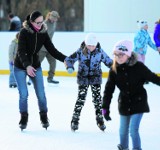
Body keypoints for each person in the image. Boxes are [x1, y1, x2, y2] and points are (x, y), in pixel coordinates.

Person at [102, 40, 160, 150]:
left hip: (138, 102)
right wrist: (105, 108)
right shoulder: (114, 69)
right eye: (116, 54)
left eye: (121, 54)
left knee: (133, 130)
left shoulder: (139, 67)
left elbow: (153, 78)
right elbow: (108, 90)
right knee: (122, 131)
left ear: (128, 54)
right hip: (124, 103)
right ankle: (124, 147)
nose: (118, 57)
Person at [13, 10, 67, 130]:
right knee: (23, 94)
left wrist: (65, 59)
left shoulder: (43, 32)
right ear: (31, 22)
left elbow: (52, 50)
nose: (40, 25)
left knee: (41, 94)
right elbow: (21, 52)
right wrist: (27, 66)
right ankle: (24, 118)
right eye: (37, 23)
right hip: (20, 67)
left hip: (35, 66)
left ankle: (43, 116)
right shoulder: (24, 32)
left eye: (42, 22)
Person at [65, 33, 113, 131]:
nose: (91, 47)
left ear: (96, 44)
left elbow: (109, 62)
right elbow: (68, 59)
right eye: (89, 45)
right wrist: (69, 66)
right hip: (83, 78)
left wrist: (118, 68)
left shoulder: (100, 52)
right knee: (80, 99)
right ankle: (74, 120)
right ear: (86, 44)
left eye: (93, 45)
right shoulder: (80, 51)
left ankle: (100, 121)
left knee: (97, 100)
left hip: (95, 78)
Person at [39, 11, 60, 84]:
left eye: (55, 18)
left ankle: (50, 78)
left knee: (53, 62)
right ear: (49, 16)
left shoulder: (54, 23)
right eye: (53, 17)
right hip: (41, 48)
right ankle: (31, 78)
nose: (54, 19)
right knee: (37, 63)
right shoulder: (44, 24)